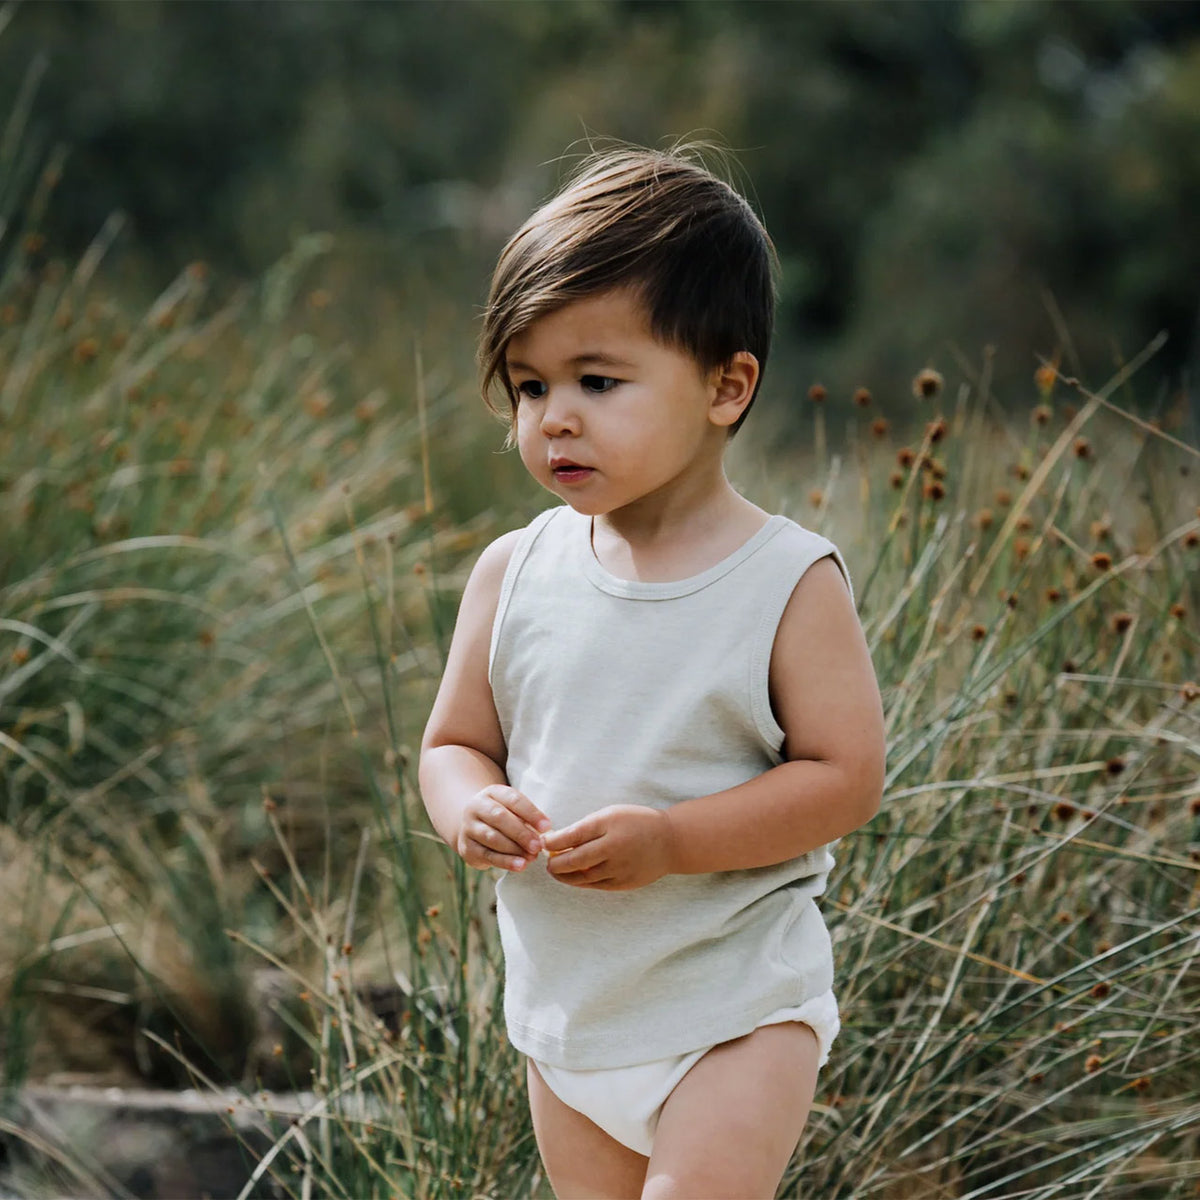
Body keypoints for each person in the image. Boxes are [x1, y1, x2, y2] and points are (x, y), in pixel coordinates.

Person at [418, 143, 887, 1200]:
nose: (555, 418)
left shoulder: (785, 581)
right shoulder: (515, 571)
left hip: (734, 1006)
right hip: (570, 1018)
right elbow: (455, 742)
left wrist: (674, 841)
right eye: (530, 385)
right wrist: (466, 807)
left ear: (727, 387)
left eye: (597, 380)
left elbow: (846, 776)